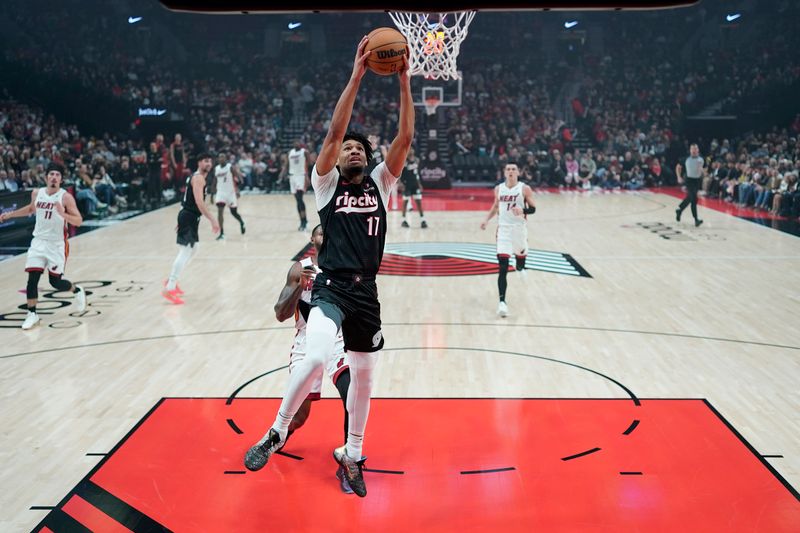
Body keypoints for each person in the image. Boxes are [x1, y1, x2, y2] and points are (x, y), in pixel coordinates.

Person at [243, 37, 414, 498]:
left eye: (361, 148)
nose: (354, 151)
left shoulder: (382, 180)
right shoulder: (325, 187)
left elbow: (405, 139)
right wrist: (357, 75)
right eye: (348, 150)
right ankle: (277, 430)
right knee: (317, 353)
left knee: (365, 377)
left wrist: (403, 80)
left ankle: (352, 454)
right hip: (333, 288)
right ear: (336, 161)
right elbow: (335, 134)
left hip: (368, 293)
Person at [271, 225, 354, 494]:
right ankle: (279, 435)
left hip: (339, 342)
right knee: (300, 416)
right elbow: (280, 313)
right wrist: (299, 287)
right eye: (320, 233)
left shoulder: (344, 268)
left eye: (329, 233)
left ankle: (349, 462)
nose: (325, 236)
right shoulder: (300, 268)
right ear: (312, 239)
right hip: (307, 343)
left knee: (351, 396)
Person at [0, 164, 87, 329]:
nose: (54, 177)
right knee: (32, 279)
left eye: (57, 175)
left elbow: (79, 221)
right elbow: (31, 209)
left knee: (55, 282)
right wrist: (10, 214)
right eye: (51, 174)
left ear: (61, 179)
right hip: (38, 242)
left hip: (57, 245)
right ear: (47, 177)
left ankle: (77, 290)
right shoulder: (36, 193)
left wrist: (63, 214)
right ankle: (32, 314)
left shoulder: (65, 197)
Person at [161, 154, 220, 304]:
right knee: (186, 250)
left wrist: (180, 220)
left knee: (194, 249)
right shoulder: (199, 178)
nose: (209, 163)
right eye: (205, 161)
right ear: (199, 162)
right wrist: (213, 220)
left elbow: (186, 199)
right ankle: (169, 287)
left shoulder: (197, 177)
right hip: (189, 217)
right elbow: (200, 203)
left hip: (188, 217)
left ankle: (171, 280)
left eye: (210, 161)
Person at [480, 161, 536, 318]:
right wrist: (486, 220)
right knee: (502, 266)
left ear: (518, 172)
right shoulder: (498, 189)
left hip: (519, 229)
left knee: (520, 258)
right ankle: (502, 303)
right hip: (503, 230)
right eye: (508, 169)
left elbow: (533, 208)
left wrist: (522, 210)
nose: (511, 171)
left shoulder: (525, 189)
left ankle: (520, 267)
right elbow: (496, 206)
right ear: (504, 173)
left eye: (514, 169)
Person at [212, 153, 246, 241]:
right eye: (219, 157)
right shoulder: (216, 169)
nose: (221, 158)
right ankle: (222, 233)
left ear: (226, 159)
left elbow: (237, 176)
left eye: (223, 157)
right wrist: (212, 195)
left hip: (230, 193)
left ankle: (242, 222)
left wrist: (238, 189)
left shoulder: (230, 167)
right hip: (220, 193)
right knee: (220, 212)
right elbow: (214, 181)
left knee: (233, 212)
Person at [675, 143, 704, 227]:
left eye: (695, 149)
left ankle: (679, 210)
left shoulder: (701, 159)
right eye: (692, 149)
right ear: (690, 150)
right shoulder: (686, 159)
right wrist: (679, 177)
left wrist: (703, 171)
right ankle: (696, 220)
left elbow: (703, 169)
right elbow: (678, 167)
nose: (694, 150)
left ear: (698, 150)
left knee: (690, 198)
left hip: (697, 181)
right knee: (694, 198)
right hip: (689, 180)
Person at [399, 149, 427, 228]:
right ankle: (403, 220)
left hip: (415, 184)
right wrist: (400, 183)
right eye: (409, 151)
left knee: (419, 202)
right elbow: (399, 173)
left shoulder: (416, 160)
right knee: (405, 202)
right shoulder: (403, 161)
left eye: (412, 150)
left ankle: (423, 220)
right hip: (406, 184)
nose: (411, 152)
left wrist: (419, 184)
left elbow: (416, 173)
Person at [287, 140, 311, 231]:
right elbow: (286, 164)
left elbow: (308, 164)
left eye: (297, 142)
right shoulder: (290, 153)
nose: (296, 143)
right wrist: (282, 174)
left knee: (300, 198)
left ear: (301, 144)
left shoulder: (304, 152)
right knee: (297, 200)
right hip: (292, 176)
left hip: (301, 176)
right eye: (294, 142)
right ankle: (302, 221)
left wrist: (307, 176)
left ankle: (304, 221)